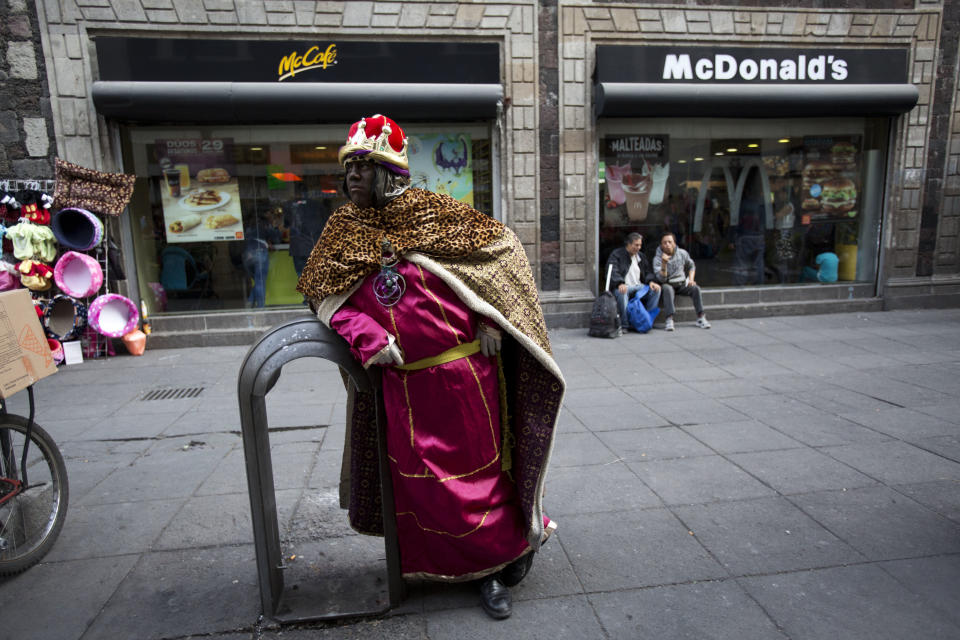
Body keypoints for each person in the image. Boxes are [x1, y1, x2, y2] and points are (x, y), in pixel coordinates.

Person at [296, 115, 563, 620]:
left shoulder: (436, 212)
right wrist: (366, 335)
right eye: (348, 167)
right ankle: (440, 565)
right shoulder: (343, 230)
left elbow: (499, 254)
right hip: (402, 385)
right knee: (422, 485)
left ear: (389, 172)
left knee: (477, 480)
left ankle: (492, 569)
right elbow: (322, 294)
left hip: (467, 379)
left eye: (362, 166)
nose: (351, 176)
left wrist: (496, 320)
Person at [653, 232, 711, 331]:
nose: (667, 245)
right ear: (661, 245)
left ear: (674, 243)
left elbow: (691, 265)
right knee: (667, 288)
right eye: (664, 243)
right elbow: (661, 279)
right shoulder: (657, 258)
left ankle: (701, 317)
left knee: (695, 288)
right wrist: (664, 263)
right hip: (668, 284)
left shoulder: (682, 253)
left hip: (681, 283)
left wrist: (691, 279)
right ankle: (669, 319)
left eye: (670, 242)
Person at [605, 232, 660, 330]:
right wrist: (619, 283)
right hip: (625, 286)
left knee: (656, 290)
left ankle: (646, 320)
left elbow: (647, 271)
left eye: (640, 245)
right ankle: (625, 324)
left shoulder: (641, 256)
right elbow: (612, 270)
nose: (639, 247)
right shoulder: (617, 254)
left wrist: (651, 281)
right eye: (636, 245)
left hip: (639, 286)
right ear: (628, 244)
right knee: (622, 292)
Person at [242, 211, 281, 308]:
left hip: (247, 254)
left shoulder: (247, 225)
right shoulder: (265, 224)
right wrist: (275, 226)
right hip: (260, 252)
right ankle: (261, 308)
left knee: (257, 280)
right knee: (260, 282)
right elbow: (277, 238)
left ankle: (250, 301)